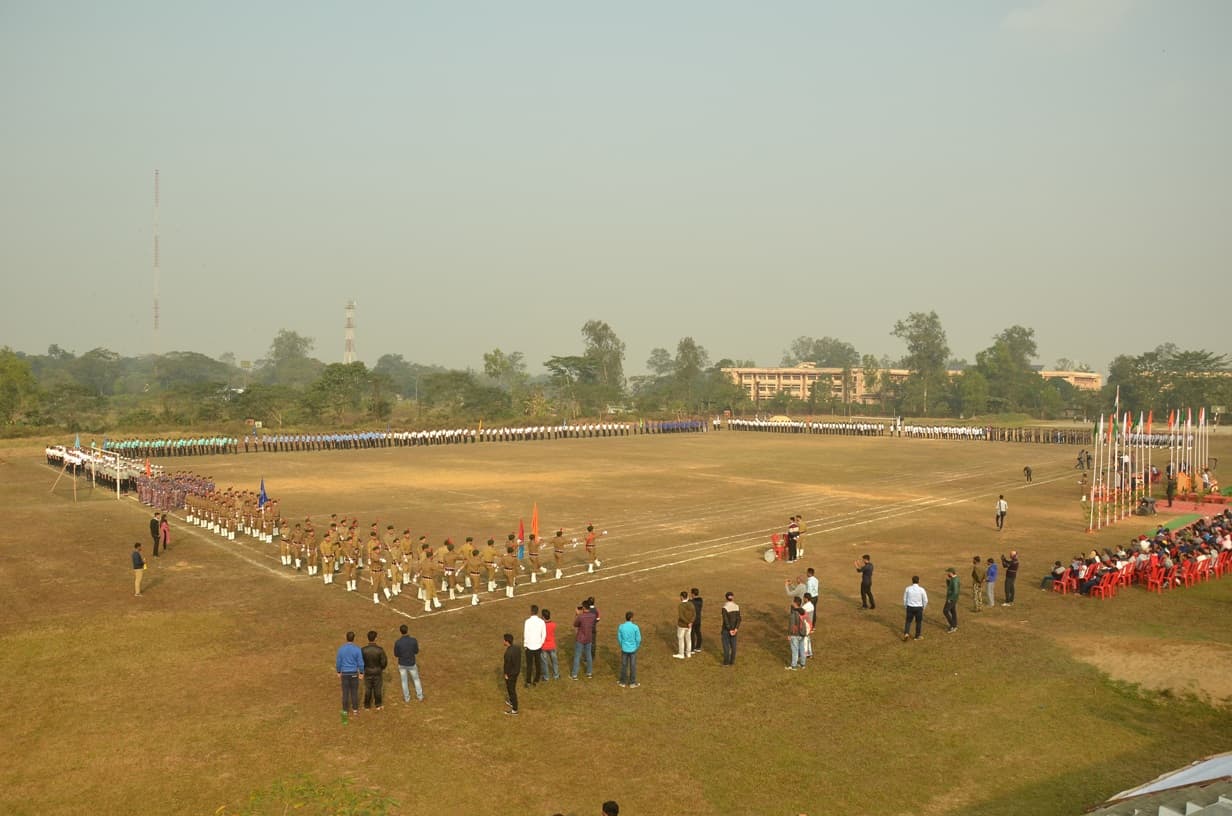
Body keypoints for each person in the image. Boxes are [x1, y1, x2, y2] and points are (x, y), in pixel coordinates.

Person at [335, 631, 363, 723]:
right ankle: (355, 710)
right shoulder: (357, 649)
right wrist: (361, 672)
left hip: (345, 674)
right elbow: (360, 663)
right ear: (353, 638)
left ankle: (344, 712)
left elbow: (338, 662)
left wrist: (339, 671)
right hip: (354, 673)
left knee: (345, 693)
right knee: (354, 692)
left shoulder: (341, 649)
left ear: (346, 637)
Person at [393, 624, 423, 702]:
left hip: (402, 664)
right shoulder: (413, 640)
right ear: (407, 630)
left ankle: (407, 698)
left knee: (404, 681)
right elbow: (416, 651)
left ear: (400, 632)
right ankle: (420, 696)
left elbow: (396, 654)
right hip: (412, 663)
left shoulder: (398, 642)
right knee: (416, 679)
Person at [361, 630, 387, 711]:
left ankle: (367, 706)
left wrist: (364, 668)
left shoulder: (363, 650)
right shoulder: (380, 650)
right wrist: (380, 668)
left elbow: (361, 662)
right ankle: (378, 705)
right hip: (377, 672)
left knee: (368, 689)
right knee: (377, 689)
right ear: (375, 638)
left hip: (367, 671)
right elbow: (384, 662)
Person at [571, 602, 597, 679]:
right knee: (588, 655)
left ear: (583, 608)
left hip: (580, 638)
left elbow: (575, 624)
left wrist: (577, 614)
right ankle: (589, 673)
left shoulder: (581, 617)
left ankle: (574, 674)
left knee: (577, 656)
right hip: (589, 638)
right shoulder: (593, 616)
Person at [617, 611, 642, 688]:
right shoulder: (635, 627)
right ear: (631, 618)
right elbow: (638, 639)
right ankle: (632, 683)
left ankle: (622, 682)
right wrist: (636, 646)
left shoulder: (621, 626)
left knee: (624, 665)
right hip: (633, 649)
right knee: (633, 666)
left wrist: (622, 645)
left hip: (624, 649)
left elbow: (619, 638)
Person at [524, 604, 546, 688]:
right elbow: (544, 634)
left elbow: (526, 634)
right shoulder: (541, 622)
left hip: (529, 646)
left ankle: (528, 681)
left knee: (529, 665)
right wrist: (541, 643)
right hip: (538, 646)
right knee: (538, 663)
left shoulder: (527, 621)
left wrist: (525, 644)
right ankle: (536, 679)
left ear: (531, 611)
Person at [902, 575, 928, 641]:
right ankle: (917, 636)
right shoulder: (921, 589)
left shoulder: (908, 588)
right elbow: (925, 600)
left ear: (912, 581)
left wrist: (905, 606)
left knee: (908, 621)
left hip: (910, 607)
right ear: (918, 581)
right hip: (919, 608)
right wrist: (923, 607)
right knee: (918, 622)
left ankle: (906, 633)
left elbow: (905, 599)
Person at [786, 596, 808, 669]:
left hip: (795, 634)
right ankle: (802, 664)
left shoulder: (794, 612)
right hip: (802, 633)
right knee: (802, 649)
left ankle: (794, 666)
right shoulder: (803, 611)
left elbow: (791, 624)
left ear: (795, 603)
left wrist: (789, 634)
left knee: (795, 650)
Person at [720, 591, 741, 666]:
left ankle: (726, 662)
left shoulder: (725, 607)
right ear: (733, 597)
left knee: (726, 647)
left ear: (726, 598)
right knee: (733, 646)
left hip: (726, 630)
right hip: (734, 630)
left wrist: (729, 629)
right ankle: (732, 662)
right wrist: (736, 629)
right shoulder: (737, 606)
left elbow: (725, 620)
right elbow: (739, 619)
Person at [674, 591, 696, 659]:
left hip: (682, 625)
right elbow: (694, 614)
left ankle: (681, 654)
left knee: (681, 639)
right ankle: (688, 653)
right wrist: (691, 622)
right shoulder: (691, 604)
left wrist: (687, 622)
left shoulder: (681, 605)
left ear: (681, 597)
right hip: (689, 626)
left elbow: (681, 616)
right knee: (688, 639)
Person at [502, 634, 520, 716]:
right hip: (516, 672)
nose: (503, 641)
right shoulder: (517, 648)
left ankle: (515, 709)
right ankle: (511, 701)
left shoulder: (508, 653)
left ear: (507, 642)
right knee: (511, 688)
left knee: (511, 690)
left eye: (504, 640)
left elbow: (507, 665)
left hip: (511, 674)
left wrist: (506, 674)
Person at [540, 609, 559, 681]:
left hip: (544, 646)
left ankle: (546, 677)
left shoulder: (542, 626)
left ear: (543, 617)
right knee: (554, 661)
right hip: (552, 645)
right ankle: (556, 675)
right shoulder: (553, 624)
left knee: (544, 662)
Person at [942, 567, 959, 633]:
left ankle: (953, 625)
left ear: (951, 573)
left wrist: (950, 599)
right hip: (953, 598)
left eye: (948, 572)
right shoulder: (953, 579)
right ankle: (955, 624)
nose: (947, 574)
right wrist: (948, 582)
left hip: (952, 599)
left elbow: (955, 591)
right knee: (953, 611)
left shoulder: (954, 580)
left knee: (945, 611)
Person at [689, 588, 703, 653]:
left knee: (692, 634)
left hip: (692, 619)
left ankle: (692, 648)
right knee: (698, 633)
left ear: (692, 594)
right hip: (698, 619)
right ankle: (698, 647)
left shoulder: (691, 602)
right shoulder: (700, 600)